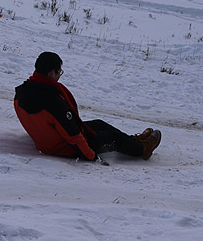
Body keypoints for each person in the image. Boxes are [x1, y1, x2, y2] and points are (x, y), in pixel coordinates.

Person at [14, 52, 161, 162]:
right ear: (51, 73)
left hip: (48, 140)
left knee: (98, 124)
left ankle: (133, 141)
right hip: (64, 147)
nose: (60, 76)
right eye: (59, 72)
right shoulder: (54, 103)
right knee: (112, 137)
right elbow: (74, 136)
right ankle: (142, 150)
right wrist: (90, 156)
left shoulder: (21, 93)